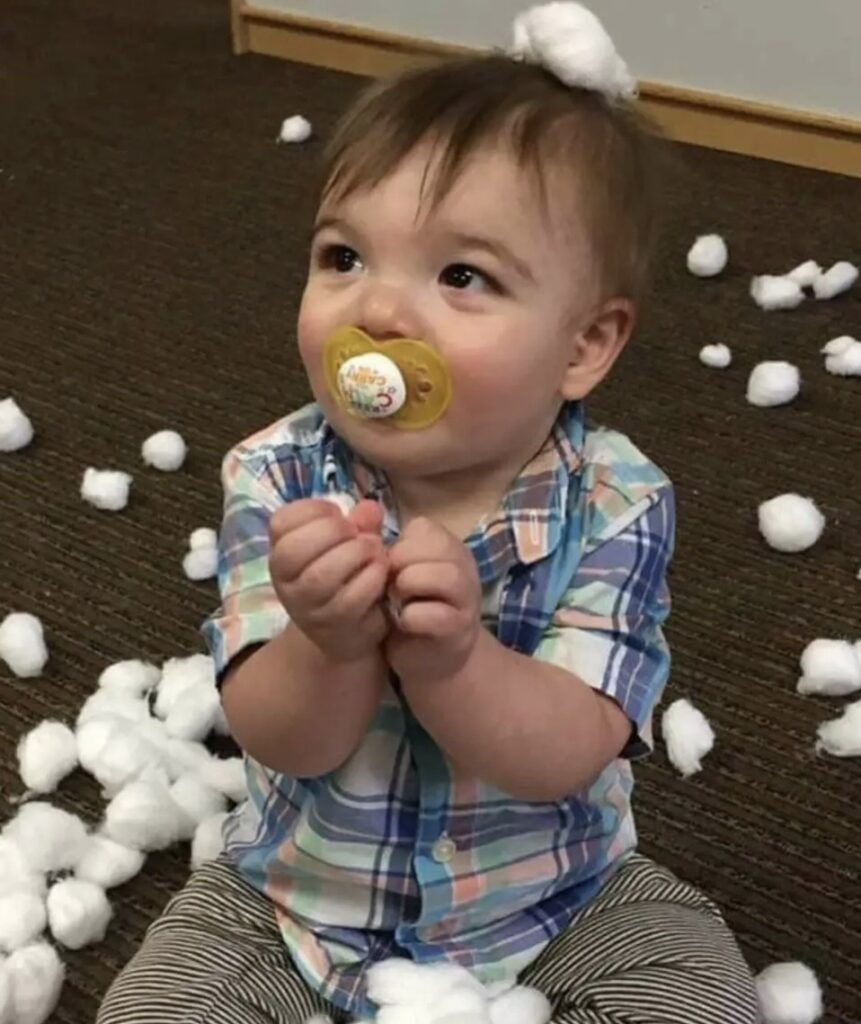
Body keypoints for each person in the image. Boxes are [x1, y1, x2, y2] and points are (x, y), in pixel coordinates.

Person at [98, 4, 759, 1022]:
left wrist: (456, 663)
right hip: (292, 895)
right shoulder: (274, 476)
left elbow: (570, 747)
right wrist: (327, 642)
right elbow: (281, 736)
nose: (377, 313)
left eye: (461, 275)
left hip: (558, 898)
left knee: (702, 1001)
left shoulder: (620, 503)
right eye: (342, 257)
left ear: (584, 345)